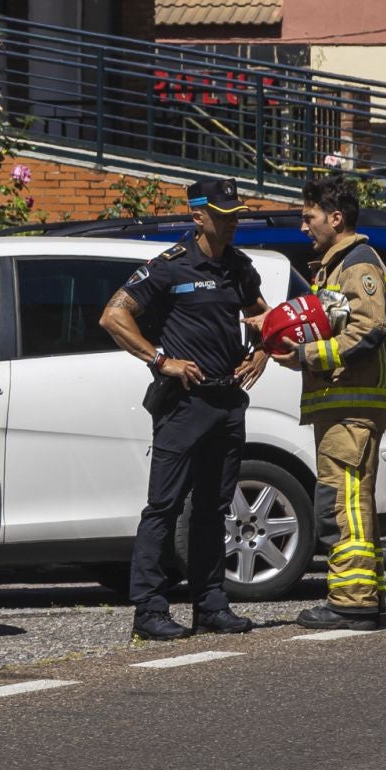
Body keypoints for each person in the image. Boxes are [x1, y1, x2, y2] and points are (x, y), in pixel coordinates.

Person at [99, 177, 270, 642]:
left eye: (236, 214)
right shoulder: (169, 266)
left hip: (226, 401)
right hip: (184, 404)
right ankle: (149, 610)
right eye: (222, 214)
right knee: (164, 506)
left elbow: (262, 316)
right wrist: (160, 359)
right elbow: (114, 315)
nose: (232, 222)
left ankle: (211, 604)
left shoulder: (239, 268)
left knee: (215, 509)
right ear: (198, 215)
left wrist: (262, 350)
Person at [271, 174, 386, 632]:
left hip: (353, 405)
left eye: (310, 217)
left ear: (336, 217)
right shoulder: (334, 264)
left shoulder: (358, 264)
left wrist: (306, 355)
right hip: (340, 403)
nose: (304, 227)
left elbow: (368, 329)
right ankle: (365, 594)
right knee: (349, 499)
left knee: (341, 501)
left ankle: (352, 601)